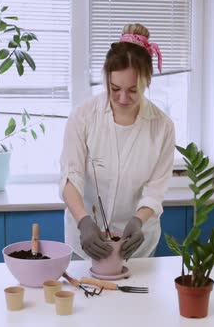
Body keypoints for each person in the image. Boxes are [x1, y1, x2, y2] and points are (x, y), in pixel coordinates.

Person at [59, 23, 175, 261]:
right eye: (115, 88)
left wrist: (138, 220)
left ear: (148, 82)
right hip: (87, 243)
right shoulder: (83, 117)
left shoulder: (162, 126)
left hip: (135, 247)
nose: (123, 98)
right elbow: (71, 176)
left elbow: (156, 188)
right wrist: (84, 222)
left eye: (133, 90)